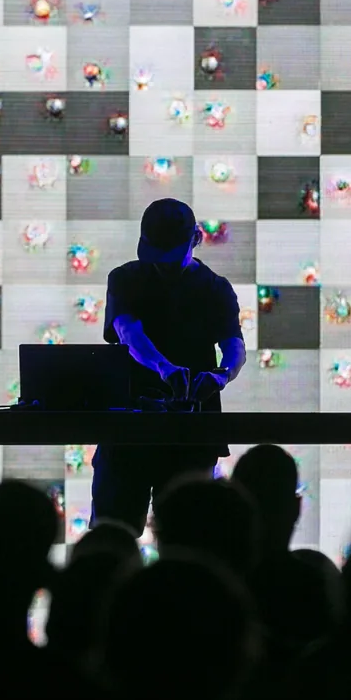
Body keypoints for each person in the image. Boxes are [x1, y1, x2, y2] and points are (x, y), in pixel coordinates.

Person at [92, 198, 247, 532]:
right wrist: (167, 368)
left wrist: (221, 376)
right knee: (116, 531)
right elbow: (127, 332)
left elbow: (234, 346)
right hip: (129, 432)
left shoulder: (216, 289)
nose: (162, 265)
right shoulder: (124, 279)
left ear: (196, 239)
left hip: (186, 436)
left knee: (185, 534)